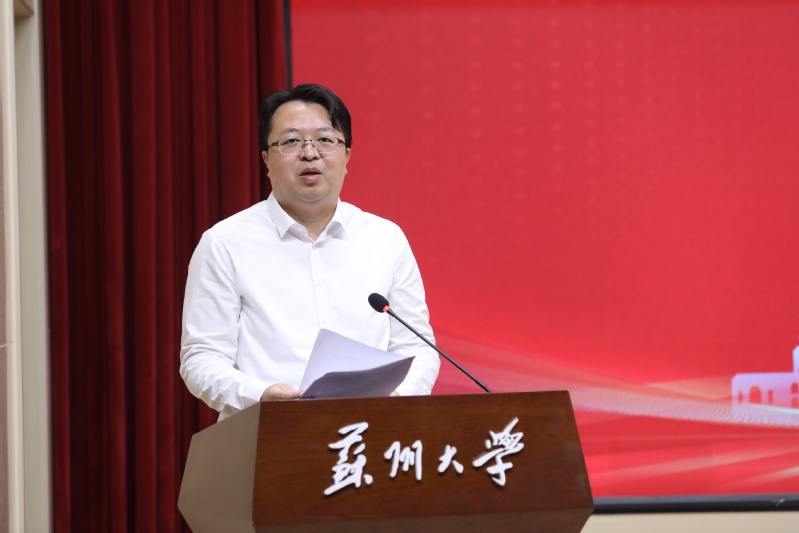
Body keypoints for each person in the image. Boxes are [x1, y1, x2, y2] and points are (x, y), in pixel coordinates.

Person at [180, 84, 440, 420]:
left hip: (372, 434)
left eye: (325, 140)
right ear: (266, 160)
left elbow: (418, 347)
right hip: (267, 432)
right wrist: (261, 396)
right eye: (290, 141)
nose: (309, 153)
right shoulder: (225, 243)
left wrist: (396, 398)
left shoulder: (385, 239)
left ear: (347, 156)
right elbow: (201, 358)